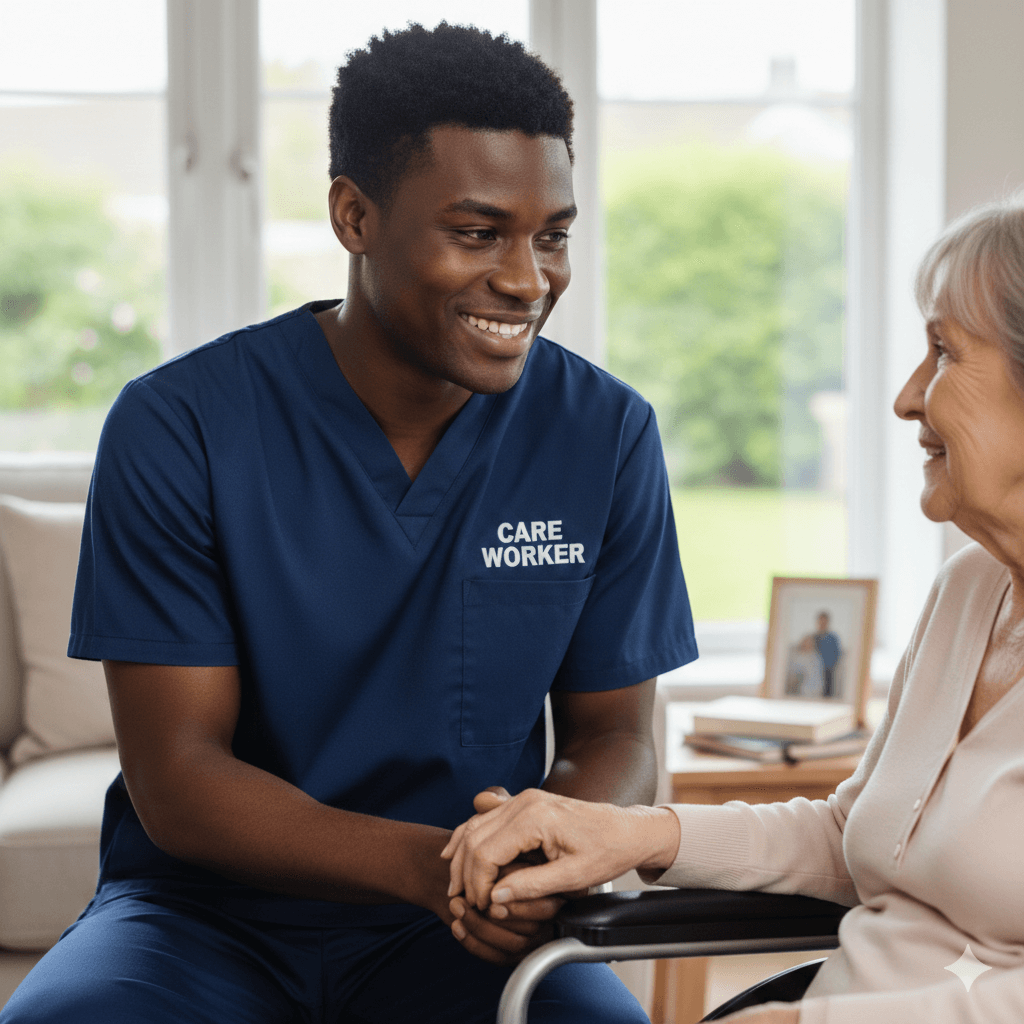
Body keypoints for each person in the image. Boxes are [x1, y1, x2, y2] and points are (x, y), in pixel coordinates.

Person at [0, 23, 697, 1024]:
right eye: (477, 230)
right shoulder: (180, 425)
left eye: (551, 234)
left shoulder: (605, 434)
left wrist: (538, 851)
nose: (527, 277)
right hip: (203, 920)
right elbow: (180, 776)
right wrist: (434, 865)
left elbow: (615, 730)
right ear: (353, 215)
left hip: (466, 926)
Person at [444, 193, 1024, 1024]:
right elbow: (852, 839)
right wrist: (635, 834)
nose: (905, 397)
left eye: (942, 352)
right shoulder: (972, 589)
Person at [812, 612, 842, 698]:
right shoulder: (814, 637)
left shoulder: (833, 638)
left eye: (824, 621)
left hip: (827, 670)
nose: (822, 623)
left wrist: (830, 666)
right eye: (820, 621)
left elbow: (836, 654)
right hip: (814, 670)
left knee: (827, 693)